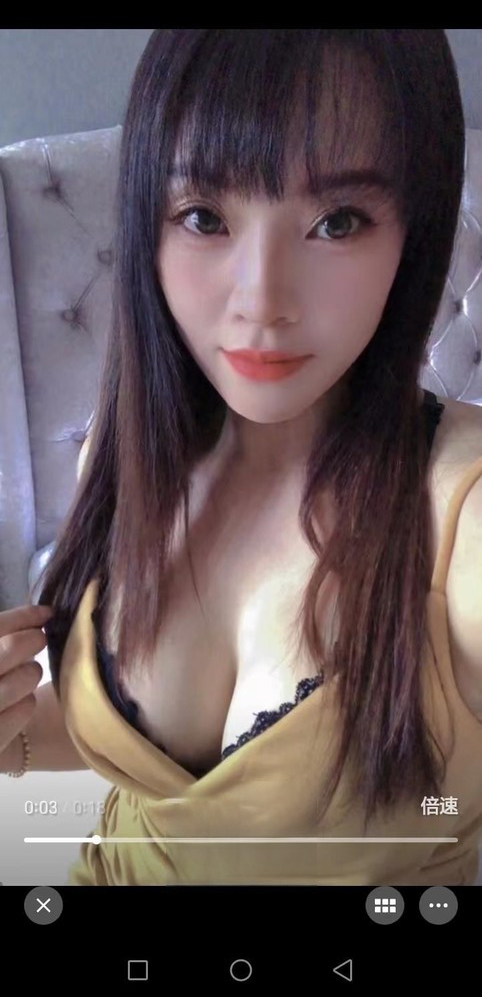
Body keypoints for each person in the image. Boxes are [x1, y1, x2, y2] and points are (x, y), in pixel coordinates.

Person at [1, 28, 482, 887]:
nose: (262, 301)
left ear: (415, 229)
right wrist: (14, 730)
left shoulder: (461, 519)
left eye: (336, 222)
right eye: (204, 218)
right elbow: (137, 752)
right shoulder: (124, 452)